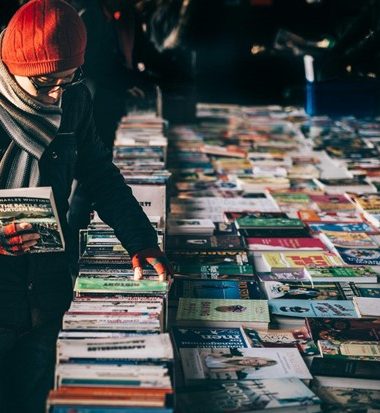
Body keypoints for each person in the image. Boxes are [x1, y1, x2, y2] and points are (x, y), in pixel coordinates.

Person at [0, 1, 172, 412]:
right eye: (44, 83)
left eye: (68, 77)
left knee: (32, 395)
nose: (57, 92)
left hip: (45, 290)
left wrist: (140, 239)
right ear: (11, 68)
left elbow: (99, 174)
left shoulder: (74, 100)